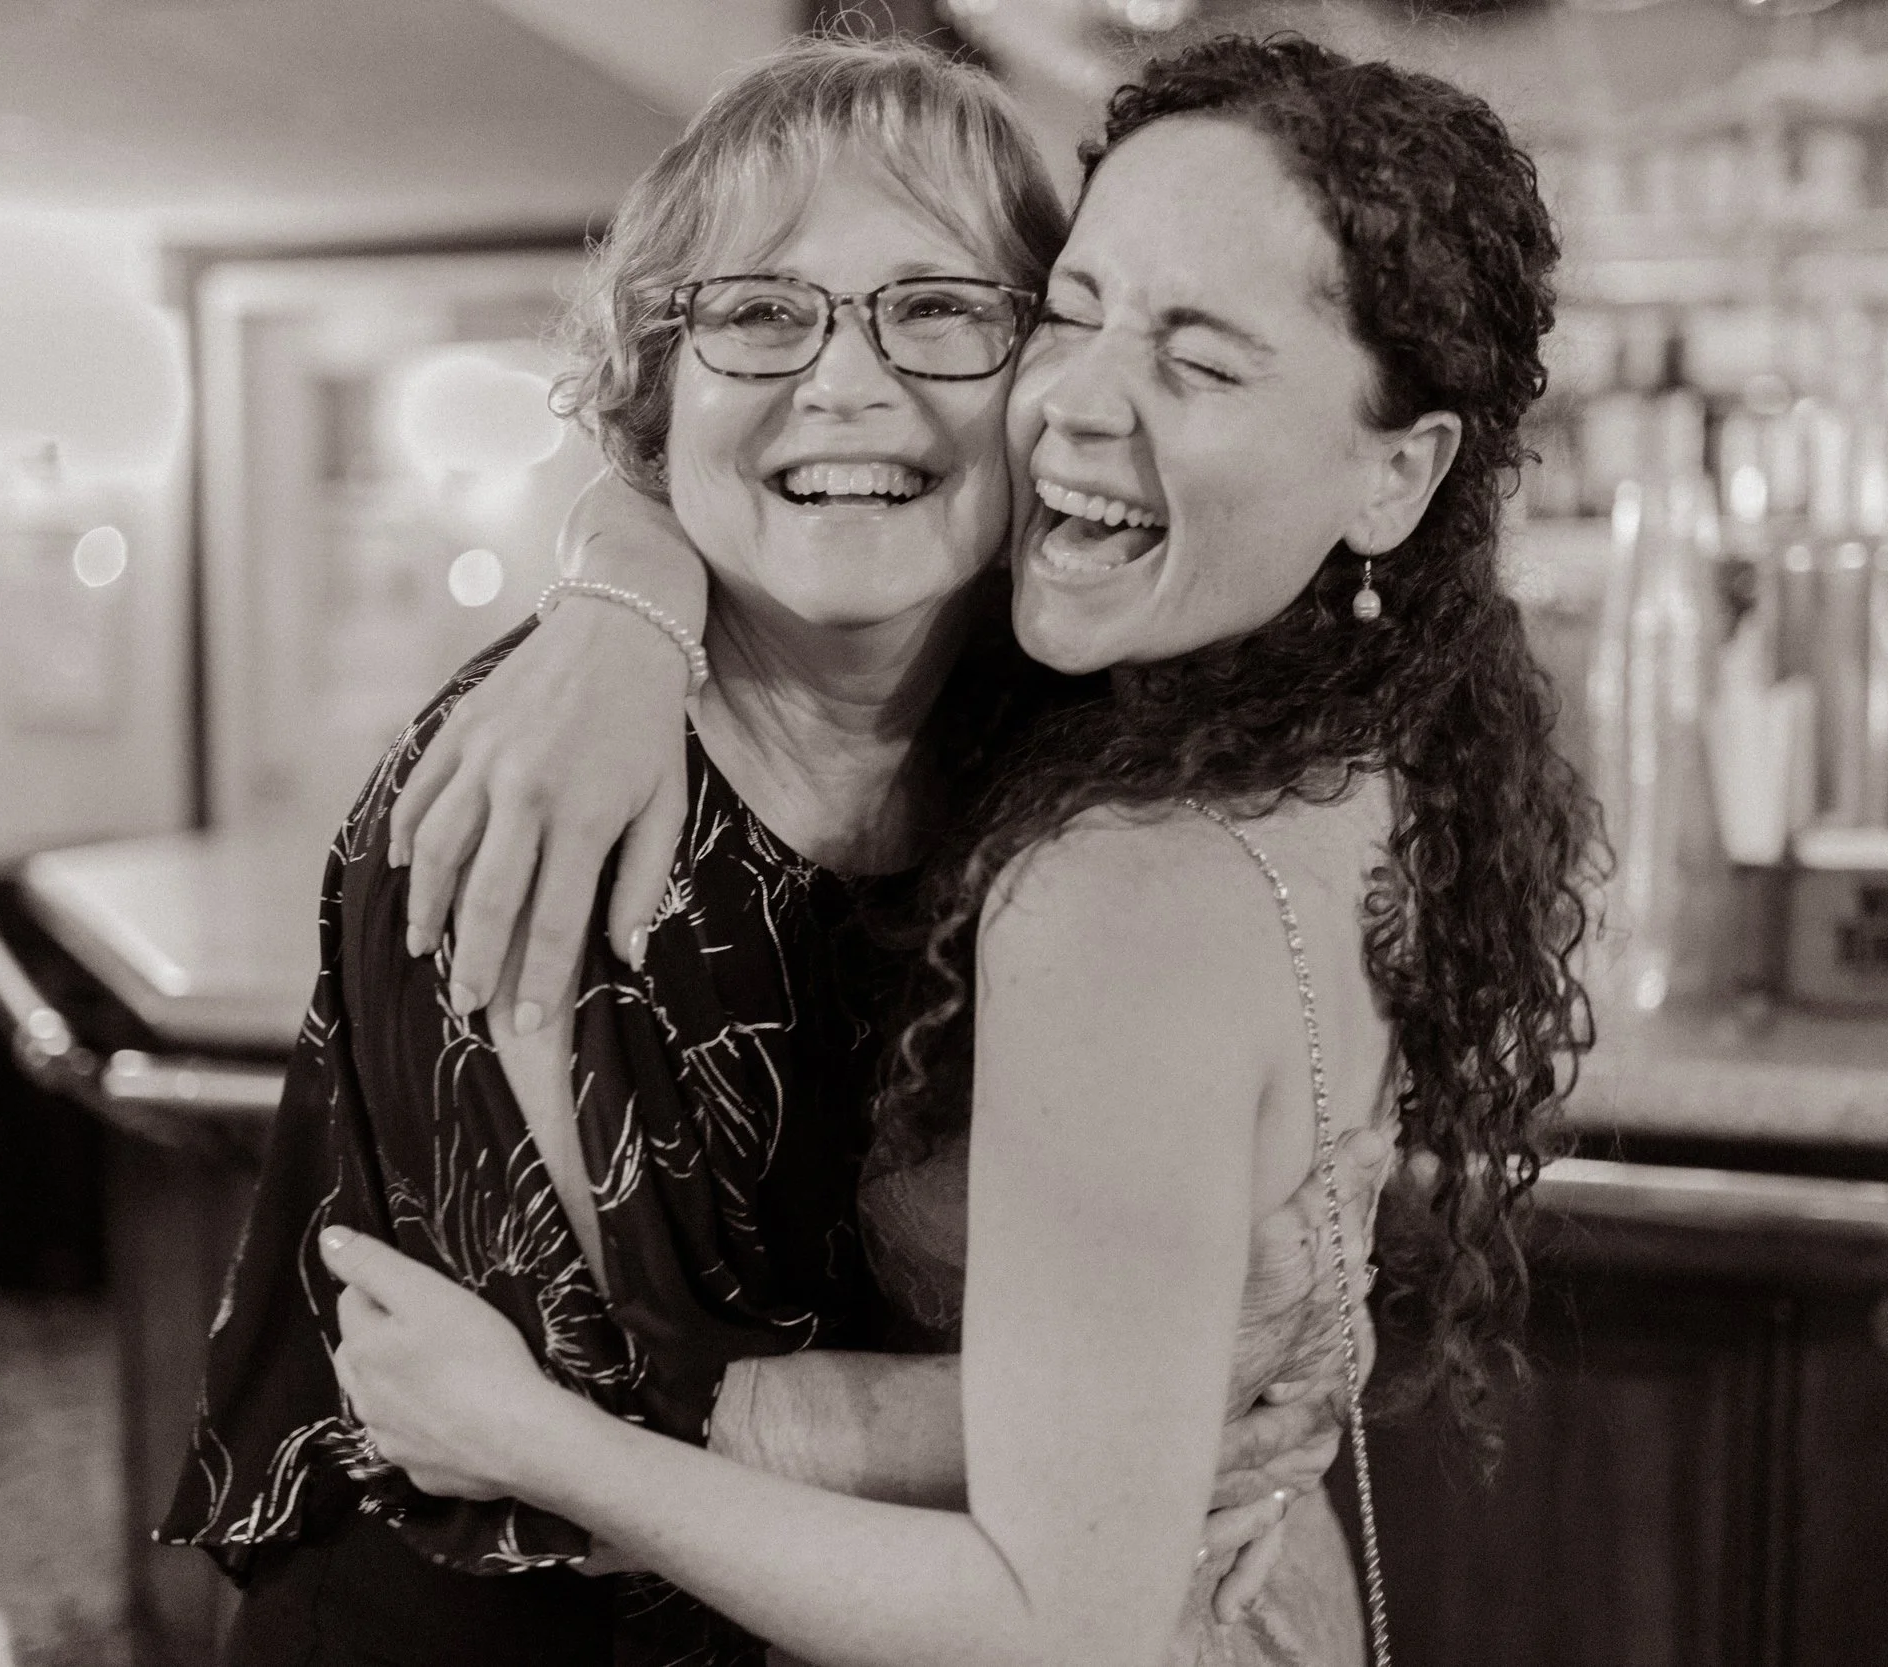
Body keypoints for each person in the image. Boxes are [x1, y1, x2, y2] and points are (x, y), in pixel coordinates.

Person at [329, 33, 1596, 1667]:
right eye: (1077, 312)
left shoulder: (1119, 837)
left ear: (1397, 472)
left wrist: (1113, 1444)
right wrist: (619, 583)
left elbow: (1039, 1597)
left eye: (943, 312)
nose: (1076, 399)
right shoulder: (1205, 713)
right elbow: (514, 1389)